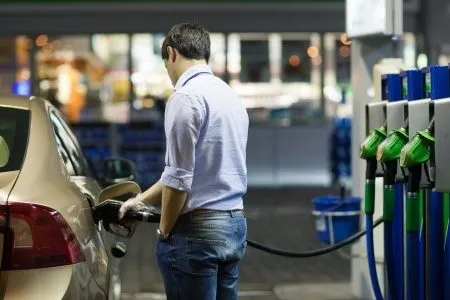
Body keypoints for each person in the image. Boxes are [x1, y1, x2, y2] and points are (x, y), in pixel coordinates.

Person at [118, 23, 249, 300]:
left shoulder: (185, 97)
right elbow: (187, 172)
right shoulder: (229, 95)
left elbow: (179, 179)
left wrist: (165, 231)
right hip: (234, 224)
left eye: (165, 64)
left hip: (196, 232)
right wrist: (140, 200)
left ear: (171, 53)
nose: (168, 73)